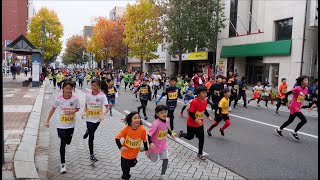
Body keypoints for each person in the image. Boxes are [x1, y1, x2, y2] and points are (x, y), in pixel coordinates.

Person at [44, 81, 80, 174]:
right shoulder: (58, 99)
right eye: (67, 88)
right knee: (63, 143)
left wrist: (71, 112)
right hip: (61, 125)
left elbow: (77, 108)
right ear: (63, 89)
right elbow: (52, 109)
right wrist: (47, 120)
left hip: (71, 125)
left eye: (70, 89)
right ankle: (63, 163)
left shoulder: (75, 99)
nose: (68, 90)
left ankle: (67, 141)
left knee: (68, 142)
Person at [178, 86, 214, 161]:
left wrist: (209, 117)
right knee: (190, 137)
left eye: (205, 93)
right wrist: (196, 119)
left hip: (200, 124)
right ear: (198, 94)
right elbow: (191, 113)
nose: (205, 94)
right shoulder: (194, 102)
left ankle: (199, 154)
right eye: (203, 93)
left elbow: (204, 110)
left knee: (201, 139)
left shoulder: (205, 101)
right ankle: (181, 134)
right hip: (191, 124)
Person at [82, 79, 109, 163]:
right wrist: (84, 111)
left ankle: (88, 131)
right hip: (89, 118)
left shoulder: (102, 95)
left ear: (99, 86)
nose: (94, 87)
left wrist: (103, 114)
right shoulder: (88, 95)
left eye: (96, 86)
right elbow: (86, 104)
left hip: (98, 119)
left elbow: (107, 107)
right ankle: (91, 155)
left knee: (92, 131)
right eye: (92, 86)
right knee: (91, 136)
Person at [115, 112, 148, 180]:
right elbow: (117, 138)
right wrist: (120, 147)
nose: (137, 119)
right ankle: (126, 176)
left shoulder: (142, 129)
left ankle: (127, 172)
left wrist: (146, 149)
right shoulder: (126, 129)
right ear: (130, 120)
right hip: (125, 154)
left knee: (132, 165)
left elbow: (144, 140)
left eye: (138, 118)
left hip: (134, 154)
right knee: (125, 169)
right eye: (135, 118)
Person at [275, 76, 309, 141]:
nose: (307, 81)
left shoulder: (306, 89)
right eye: (305, 80)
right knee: (304, 120)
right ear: (302, 82)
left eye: (307, 80)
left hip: (298, 106)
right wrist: (286, 103)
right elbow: (286, 94)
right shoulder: (297, 88)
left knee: (290, 120)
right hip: (293, 106)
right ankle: (294, 132)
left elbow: (306, 97)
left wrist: (311, 99)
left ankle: (279, 129)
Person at [147, 105, 175, 180]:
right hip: (154, 146)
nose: (164, 114)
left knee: (166, 158)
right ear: (157, 114)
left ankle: (163, 175)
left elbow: (166, 128)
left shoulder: (167, 120)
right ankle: (147, 151)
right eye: (162, 113)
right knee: (154, 160)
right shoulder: (155, 123)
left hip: (163, 144)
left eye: (165, 112)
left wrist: (171, 134)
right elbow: (149, 134)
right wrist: (150, 143)